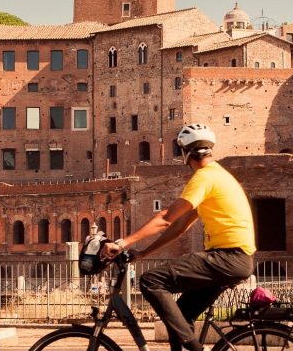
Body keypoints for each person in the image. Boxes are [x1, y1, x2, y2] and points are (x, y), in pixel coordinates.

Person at [100, 123, 255, 351]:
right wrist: (143, 253)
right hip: (234, 260)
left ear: (185, 153)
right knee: (179, 317)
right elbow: (179, 226)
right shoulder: (219, 176)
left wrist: (123, 242)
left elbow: (166, 219)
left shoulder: (204, 178)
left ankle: (195, 349)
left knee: (150, 281)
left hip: (228, 258)